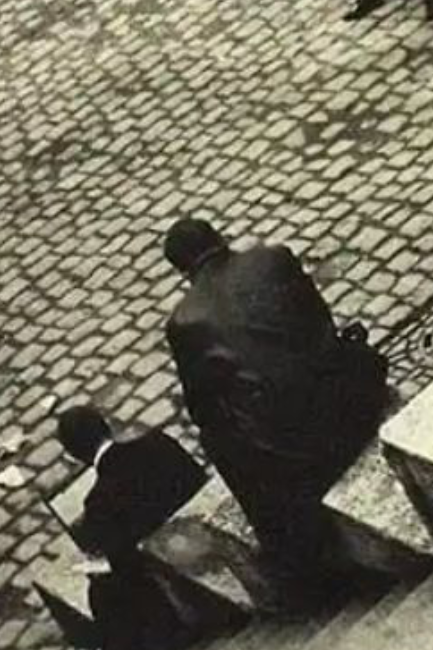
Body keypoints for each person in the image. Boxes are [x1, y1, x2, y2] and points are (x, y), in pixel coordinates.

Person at [163, 217, 389, 611]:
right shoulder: (273, 259)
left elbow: (202, 406)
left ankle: (299, 563)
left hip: (299, 450)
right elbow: (319, 322)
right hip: (350, 403)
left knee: (219, 442)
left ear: (183, 271)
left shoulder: (185, 322)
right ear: (220, 237)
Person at [54, 405, 207, 650]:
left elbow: (126, 568)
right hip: (205, 540)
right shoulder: (159, 443)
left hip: (178, 584)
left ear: (75, 455)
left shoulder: (99, 501)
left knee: (102, 589)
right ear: (107, 426)